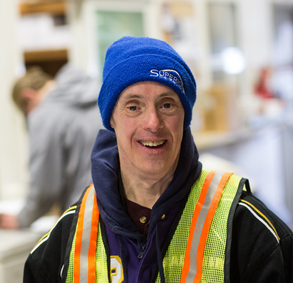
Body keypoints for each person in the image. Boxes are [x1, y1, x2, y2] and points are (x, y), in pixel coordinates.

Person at [23, 37, 293, 283]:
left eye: (167, 104)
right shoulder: (66, 241)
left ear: (184, 119)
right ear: (111, 119)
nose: (153, 123)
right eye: (133, 106)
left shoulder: (248, 229)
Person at [0, 64, 103, 229]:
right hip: (119, 212)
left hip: (85, 221)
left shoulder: (44, 114)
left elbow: (45, 189)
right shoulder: (99, 99)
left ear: (28, 96)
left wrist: (21, 219)